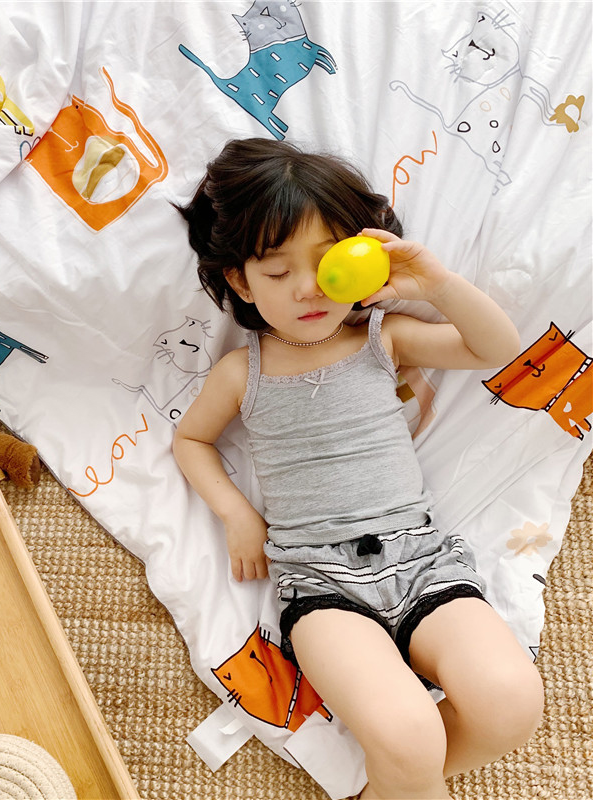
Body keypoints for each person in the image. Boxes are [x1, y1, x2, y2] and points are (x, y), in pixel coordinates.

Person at [173, 138, 544, 800]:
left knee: (513, 705)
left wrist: (436, 284)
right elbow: (191, 441)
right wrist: (237, 514)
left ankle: (388, 786)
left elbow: (498, 347)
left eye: (327, 262)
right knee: (409, 734)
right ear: (240, 281)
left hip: (423, 562)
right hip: (321, 586)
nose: (308, 287)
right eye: (277, 272)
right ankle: (401, 772)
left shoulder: (382, 338)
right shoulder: (241, 372)